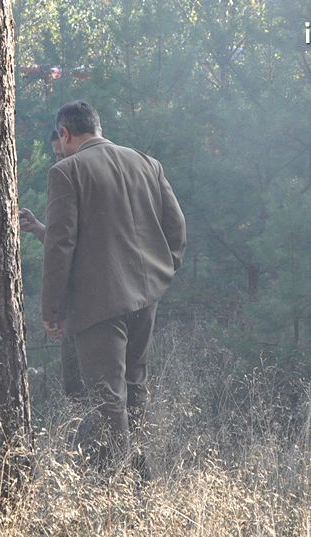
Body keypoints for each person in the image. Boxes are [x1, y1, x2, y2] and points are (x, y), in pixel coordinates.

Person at [41, 101, 187, 472]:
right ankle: (140, 478)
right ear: (98, 127)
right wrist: (162, 274)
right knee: (135, 387)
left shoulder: (67, 171)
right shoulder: (147, 164)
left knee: (107, 397)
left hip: (97, 303)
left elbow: (60, 245)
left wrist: (52, 309)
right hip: (146, 298)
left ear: (65, 133)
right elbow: (177, 228)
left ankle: (120, 486)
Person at [19, 130, 85, 400]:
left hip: (89, 304)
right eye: (55, 156)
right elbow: (65, 240)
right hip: (77, 304)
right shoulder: (69, 179)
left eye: (63, 154)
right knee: (75, 386)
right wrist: (36, 228)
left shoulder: (83, 181)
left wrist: (52, 310)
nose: (59, 161)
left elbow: (66, 247)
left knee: (91, 387)